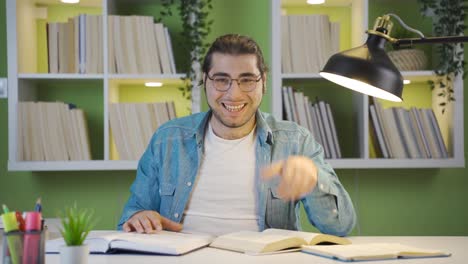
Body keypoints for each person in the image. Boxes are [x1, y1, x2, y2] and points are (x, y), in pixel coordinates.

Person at [118, 34, 356, 236]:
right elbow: (130, 217)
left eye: (247, 80)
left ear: (263, 81)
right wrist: (140, 217)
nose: (234, 94)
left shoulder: (295, 141)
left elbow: (340, 227)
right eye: (222, 80)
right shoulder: (167, 139)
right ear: (205, 80)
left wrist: (314, 178)